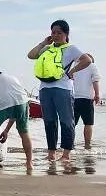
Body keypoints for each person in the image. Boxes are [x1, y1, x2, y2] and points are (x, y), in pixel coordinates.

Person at [27, 20, 92, 162]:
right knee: (49, 121)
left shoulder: (71, 49)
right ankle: (51, 153)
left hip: (63, 88)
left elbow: (87, 60)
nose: (56, 35)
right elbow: (31, 55)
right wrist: (43, 43)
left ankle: (66, 154)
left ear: (66, 34)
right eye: (53, 32)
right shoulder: (47, 48)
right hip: (45, 88)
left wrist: (72, 71)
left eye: (59, 33)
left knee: (66, 121)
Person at [72, 54, 101, 149]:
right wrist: (97, 94)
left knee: (72, 124)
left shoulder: (75, 67)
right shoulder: (92, 66)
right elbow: (95, 81)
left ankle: (70, 145)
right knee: (88, 123)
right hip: (87, 98)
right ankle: (87, 145)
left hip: (73, 98)